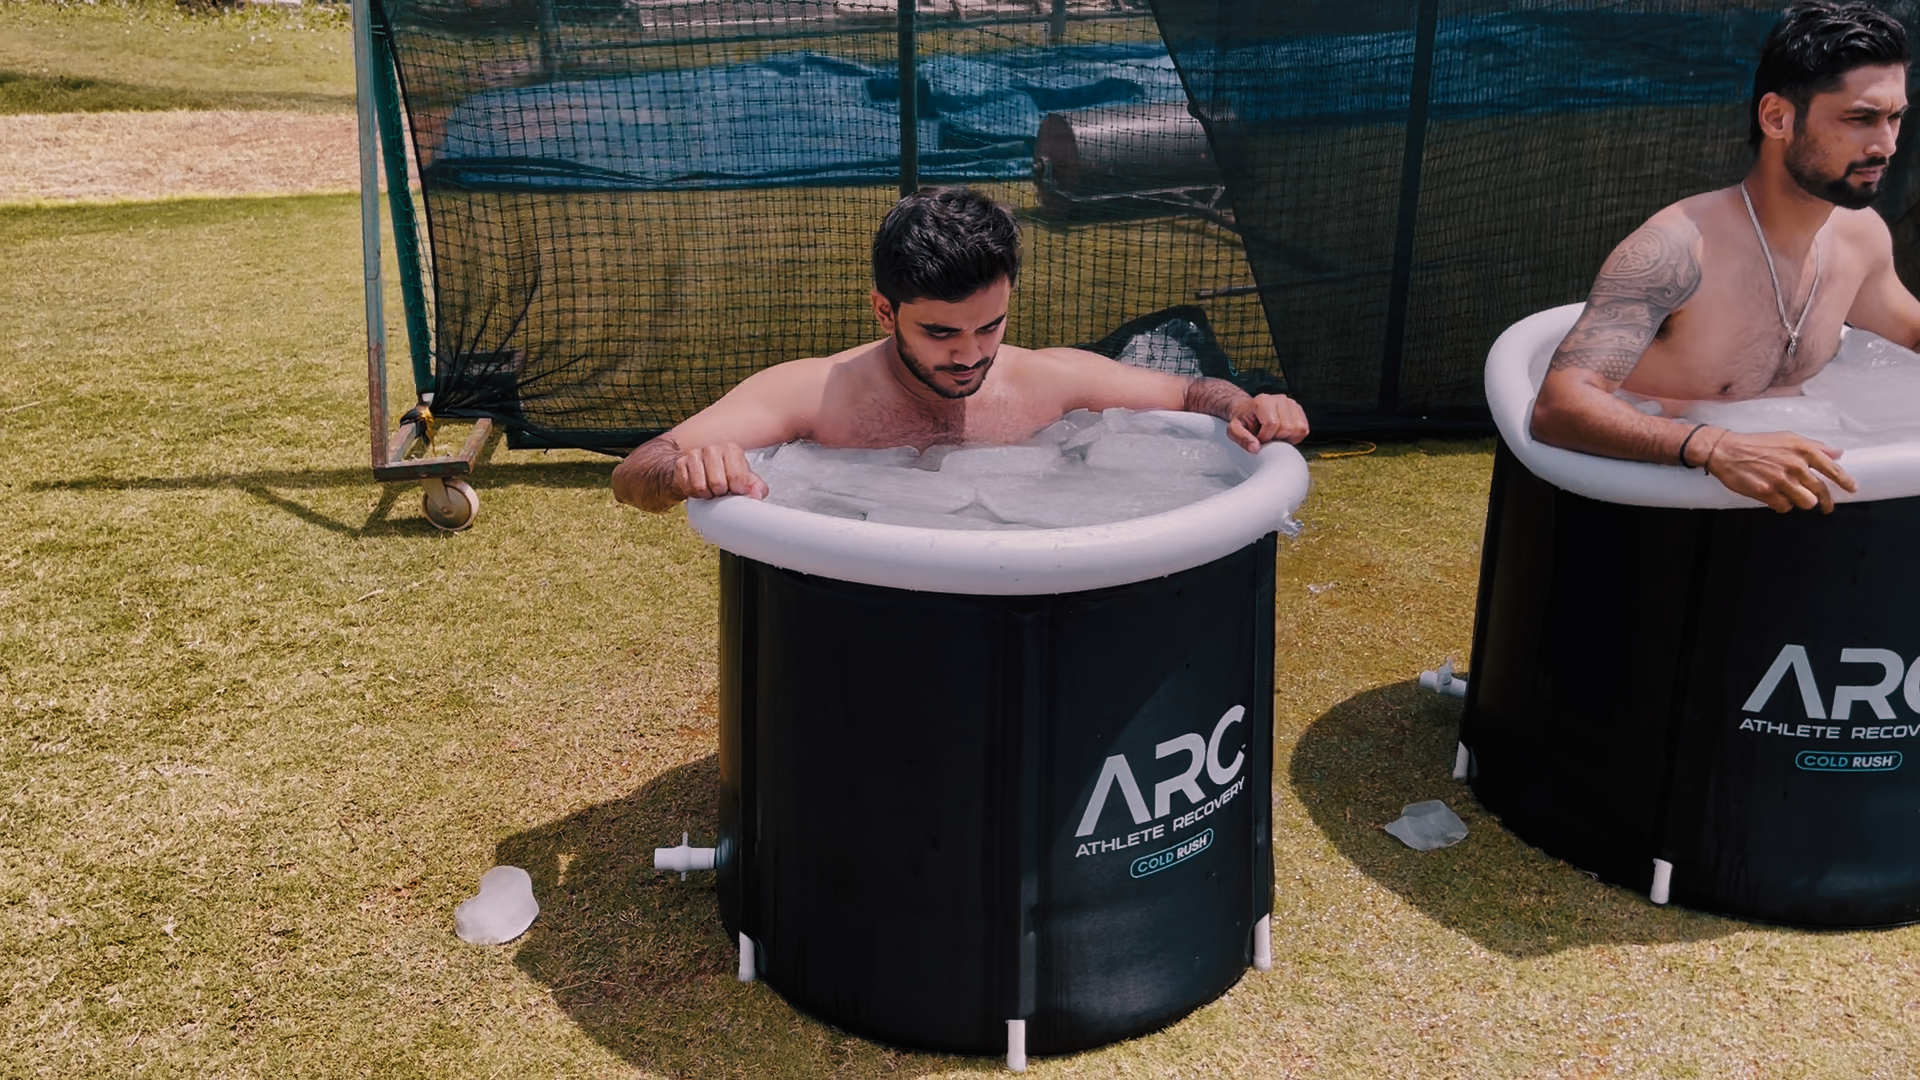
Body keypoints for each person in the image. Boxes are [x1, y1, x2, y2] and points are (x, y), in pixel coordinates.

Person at [612, 188, 1309, 511]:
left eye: (990, 326)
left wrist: (1249, 403)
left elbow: (1191, 395)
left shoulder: (1041, 379)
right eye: (940, 333)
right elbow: (635, 472)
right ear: (885, 311)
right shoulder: (816, 393)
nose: (971, 355)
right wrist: (685, 471)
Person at [1530, 0, 1920, 513]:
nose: (1887, 145)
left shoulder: (1860, 237)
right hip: (1663, 509)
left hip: (1801, 495)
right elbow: (1559, 406)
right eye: (1862, 118)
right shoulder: (1677, 249)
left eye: (1895, 118)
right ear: (1778, 118)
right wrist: (1711, 446)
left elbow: (1912, 334)